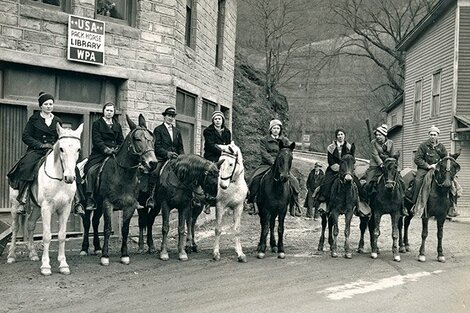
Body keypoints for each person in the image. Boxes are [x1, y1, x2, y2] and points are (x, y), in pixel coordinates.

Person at [7, 92, 64, 215]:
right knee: (26, 167)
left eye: (51, 104)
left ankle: (78, 200)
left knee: (72, 168)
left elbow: (62, 136)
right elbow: (26, 136)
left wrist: (57, 146)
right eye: (46, 104)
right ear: (41, 106)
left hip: (53, 151)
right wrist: (40, 145)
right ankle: (23, 198)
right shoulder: (34, 119)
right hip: (37, 150)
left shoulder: (58, 120)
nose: (49, 106)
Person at [246, 119, 301, 217]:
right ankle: (251, 202)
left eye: (278, 128)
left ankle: (295, 205)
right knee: (254, 178)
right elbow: (263, 153)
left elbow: (288, 153)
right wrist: (273, 162)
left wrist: (281, 163)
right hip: (267, 164)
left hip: (282, 166)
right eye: (274, 128)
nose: (276, 130)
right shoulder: (264, 140)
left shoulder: (285, 140)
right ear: (270, 129)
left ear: (280, 129)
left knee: (294, 182)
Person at [83, 102, 124, 211]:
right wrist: (106, 149)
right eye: (107, 110)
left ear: (114, 112)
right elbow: (97, 140)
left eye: (111, 111)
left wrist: (118, 149)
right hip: (99, 154)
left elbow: (121, 140)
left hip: (115, 154)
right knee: (91, 171)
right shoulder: (97, 124)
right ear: (103, 111)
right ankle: (90, 198)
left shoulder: (117, 125)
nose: (109, 113)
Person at [145, 106, 185, 208]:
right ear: (164, 117)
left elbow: (180, 146)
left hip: (175, 158)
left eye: (172, 116)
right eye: (168, 116)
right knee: (155, 172)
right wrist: (167, 154)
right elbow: (157, 146)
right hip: (162, 158)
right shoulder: (158, 130)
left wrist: (182, 157)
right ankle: (151, 197)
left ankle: (188, 197)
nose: (170, 118)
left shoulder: (177, 131)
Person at [364, 124, 407, 216]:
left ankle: (403, 206)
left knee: (401, 182)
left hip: (388, 165)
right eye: (377, 135)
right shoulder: (373, 143)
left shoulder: (391, 143)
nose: (378, 137)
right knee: (368, 183)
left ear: (384, 135)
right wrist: (381, 164)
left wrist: (390, 163)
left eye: (380, 135)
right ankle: (367, 206)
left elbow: (392, 155)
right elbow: (375, 155)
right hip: (376, 165)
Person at [316, 128, 356, 213]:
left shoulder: (349, 147)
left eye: (342, 134)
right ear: (336, 136)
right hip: (333, 169)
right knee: (326, 182)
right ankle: (323, 201)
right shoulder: (331, 147)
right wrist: (338, 168)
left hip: (347, 169)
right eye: (338, 135)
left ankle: (360, 202)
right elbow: (330, 160)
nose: (340, 136)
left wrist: (346, 169)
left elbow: (351, 159)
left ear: (344, 136)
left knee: (357, 183)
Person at [411, 125, 448, 212]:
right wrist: (428, 166)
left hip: (438, 169)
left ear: (438, 135)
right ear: (428, 135)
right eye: (431, 134)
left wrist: (438, 165)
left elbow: (445, 158)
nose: (432, 136)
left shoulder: (441, 147)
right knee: (417, 181)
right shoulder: (423, 146)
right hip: (424, 169)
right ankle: (414, 203)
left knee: (450, 182)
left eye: (434, 135)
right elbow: (417, 159)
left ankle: (450, 206)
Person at [202, 110, 231, 214]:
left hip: (224, 157)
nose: (217, 121)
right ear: (213, 120)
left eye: (219, 119)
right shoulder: (208, 131)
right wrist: (222, 149)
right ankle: (208, 201)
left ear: (222, 120)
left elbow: (228, 145)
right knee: (210, 177)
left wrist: (226, 151)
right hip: (212, 156)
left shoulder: (227, 132)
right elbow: (210, 145)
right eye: (215, 119)